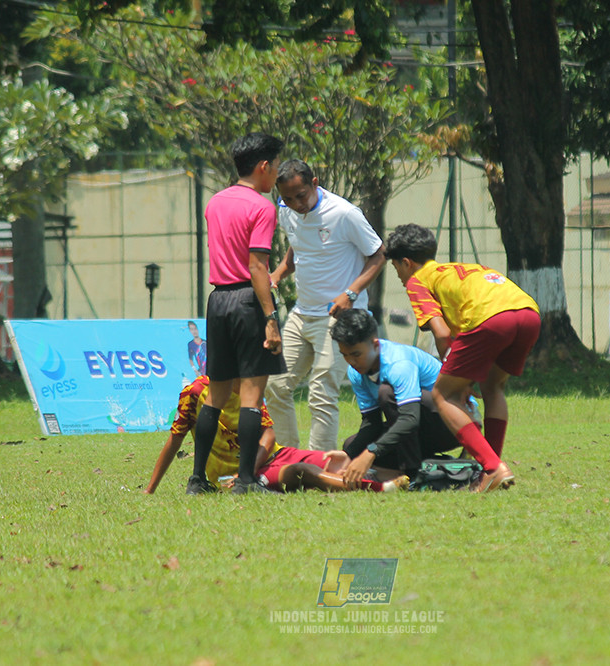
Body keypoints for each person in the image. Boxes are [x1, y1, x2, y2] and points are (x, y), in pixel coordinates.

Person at [383, 224, 542, 492]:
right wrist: (464, 375)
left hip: (490, 319)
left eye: (396, 268)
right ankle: (487, 470)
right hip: (528, 313)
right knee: (493, 387)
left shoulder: (417, 281)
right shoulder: (462, 269)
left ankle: (492, 467)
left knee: (442, 395)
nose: (398, 275)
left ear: (406, 263)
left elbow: (443, 334)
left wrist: (454, 378)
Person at [188, 132, 285, 495]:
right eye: (275, 167)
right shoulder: (262, 207)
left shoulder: (215, 202)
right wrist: (270, 318)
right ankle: (245, 480)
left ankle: (197, 479)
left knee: (215, 393)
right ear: (262, 167)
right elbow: (258, 267)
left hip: (218, 302)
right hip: (247, 301)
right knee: (250, 395)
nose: (276, 174)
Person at [266, 159, 386, 453]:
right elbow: (298, 243)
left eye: (301, 195)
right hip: (301, 314)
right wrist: (279, 273)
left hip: (339, 317)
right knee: (275, 386)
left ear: (315, 183)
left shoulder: (344, 214)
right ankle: (288, 458)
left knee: (321, 392)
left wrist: (352, 292)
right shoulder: (286, 210)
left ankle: (316, 466)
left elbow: (379, 254)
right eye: (288, 198)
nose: (296, 203)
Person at [143, 375, 408, 494]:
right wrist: (150, 489)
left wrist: (248, 468)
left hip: (268, 458)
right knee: (302, 471)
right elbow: (174, 439)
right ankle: (379, 489)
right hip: (235, 476)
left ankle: (414, 480)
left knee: (337, 461)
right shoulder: (195, 393)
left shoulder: (251, 387)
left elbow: (268, 436)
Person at [329, 309, 474, 489]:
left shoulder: (398, 363)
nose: (351, 361)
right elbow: (371, 423)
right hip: (419, 428)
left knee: (386, 393)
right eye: (345, 355)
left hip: (458, 425)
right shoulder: (356, 372)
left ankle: (414, 475)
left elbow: (410, 419)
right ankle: (444, 465)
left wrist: (371, 453)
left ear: (375, 345)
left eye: (356, 354)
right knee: (352, 445)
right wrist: (348, 455)